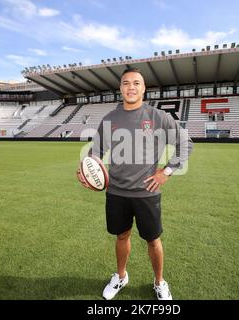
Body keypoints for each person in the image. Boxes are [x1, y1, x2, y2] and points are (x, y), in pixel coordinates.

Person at [77, 67, 193, 300]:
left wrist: (167, 171)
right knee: (121, 236)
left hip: (147, 193)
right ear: (120, 88)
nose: (131, 87)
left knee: (153, 239)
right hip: (116, 192)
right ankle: (121, 277)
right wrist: (85, 169)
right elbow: (96, 151)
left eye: (136, 83)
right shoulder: (110, 119)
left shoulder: (157, 116)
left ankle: (160, 282)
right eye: (126, 83)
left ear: (143, 88)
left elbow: (186, 143)